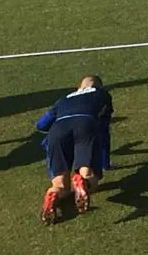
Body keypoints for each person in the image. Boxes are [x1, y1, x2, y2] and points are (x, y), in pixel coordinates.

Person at [35, 76, 114, 224]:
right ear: (99, 86)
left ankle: (52, 198)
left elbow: (40, 125)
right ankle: (81, 180)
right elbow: (104, 129)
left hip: (58, 129)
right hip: (85, 124)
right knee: (89, 177)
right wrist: (105, 163)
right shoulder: (102, 94)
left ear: (79, 87)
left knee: (60, 185)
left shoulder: (63, 99)